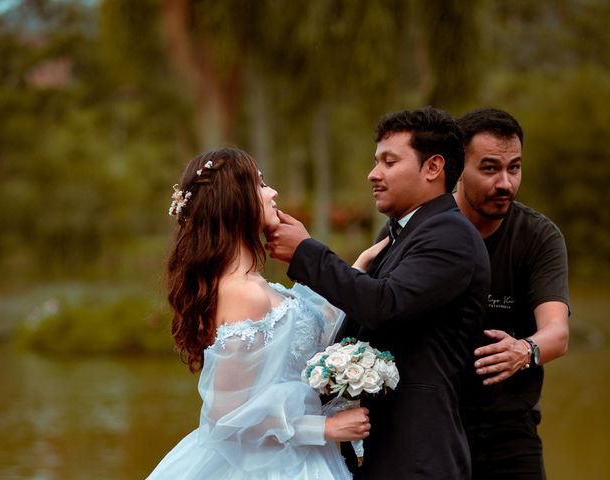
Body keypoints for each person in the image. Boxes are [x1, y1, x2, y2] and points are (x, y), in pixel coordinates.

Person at [265, 106, 491, 479]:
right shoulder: (396, 235)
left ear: (433, 168)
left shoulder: (451, 236)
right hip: (373, 447)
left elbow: (385, 305)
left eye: (389, 162)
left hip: (417, 452)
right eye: (376, 161)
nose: (373, 174)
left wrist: (308, 252)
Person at [147, 147, 371, 480]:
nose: (272, 192)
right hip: (268, 466)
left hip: (296, 457)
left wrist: (365, 260)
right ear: (236, 202)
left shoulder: (255, 285)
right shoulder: (244, 292)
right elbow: (226, 415)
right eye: (260, 184)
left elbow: (316, 324)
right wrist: (322, 428)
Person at [454, 108, 570, 480]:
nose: (505, 182)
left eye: (514, 168)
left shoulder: (538, 237)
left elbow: (557, 333)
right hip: (434, 427)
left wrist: (525, 350)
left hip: (510, 430)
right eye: (490, 169)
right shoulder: (416, 231)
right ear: (457, 166)